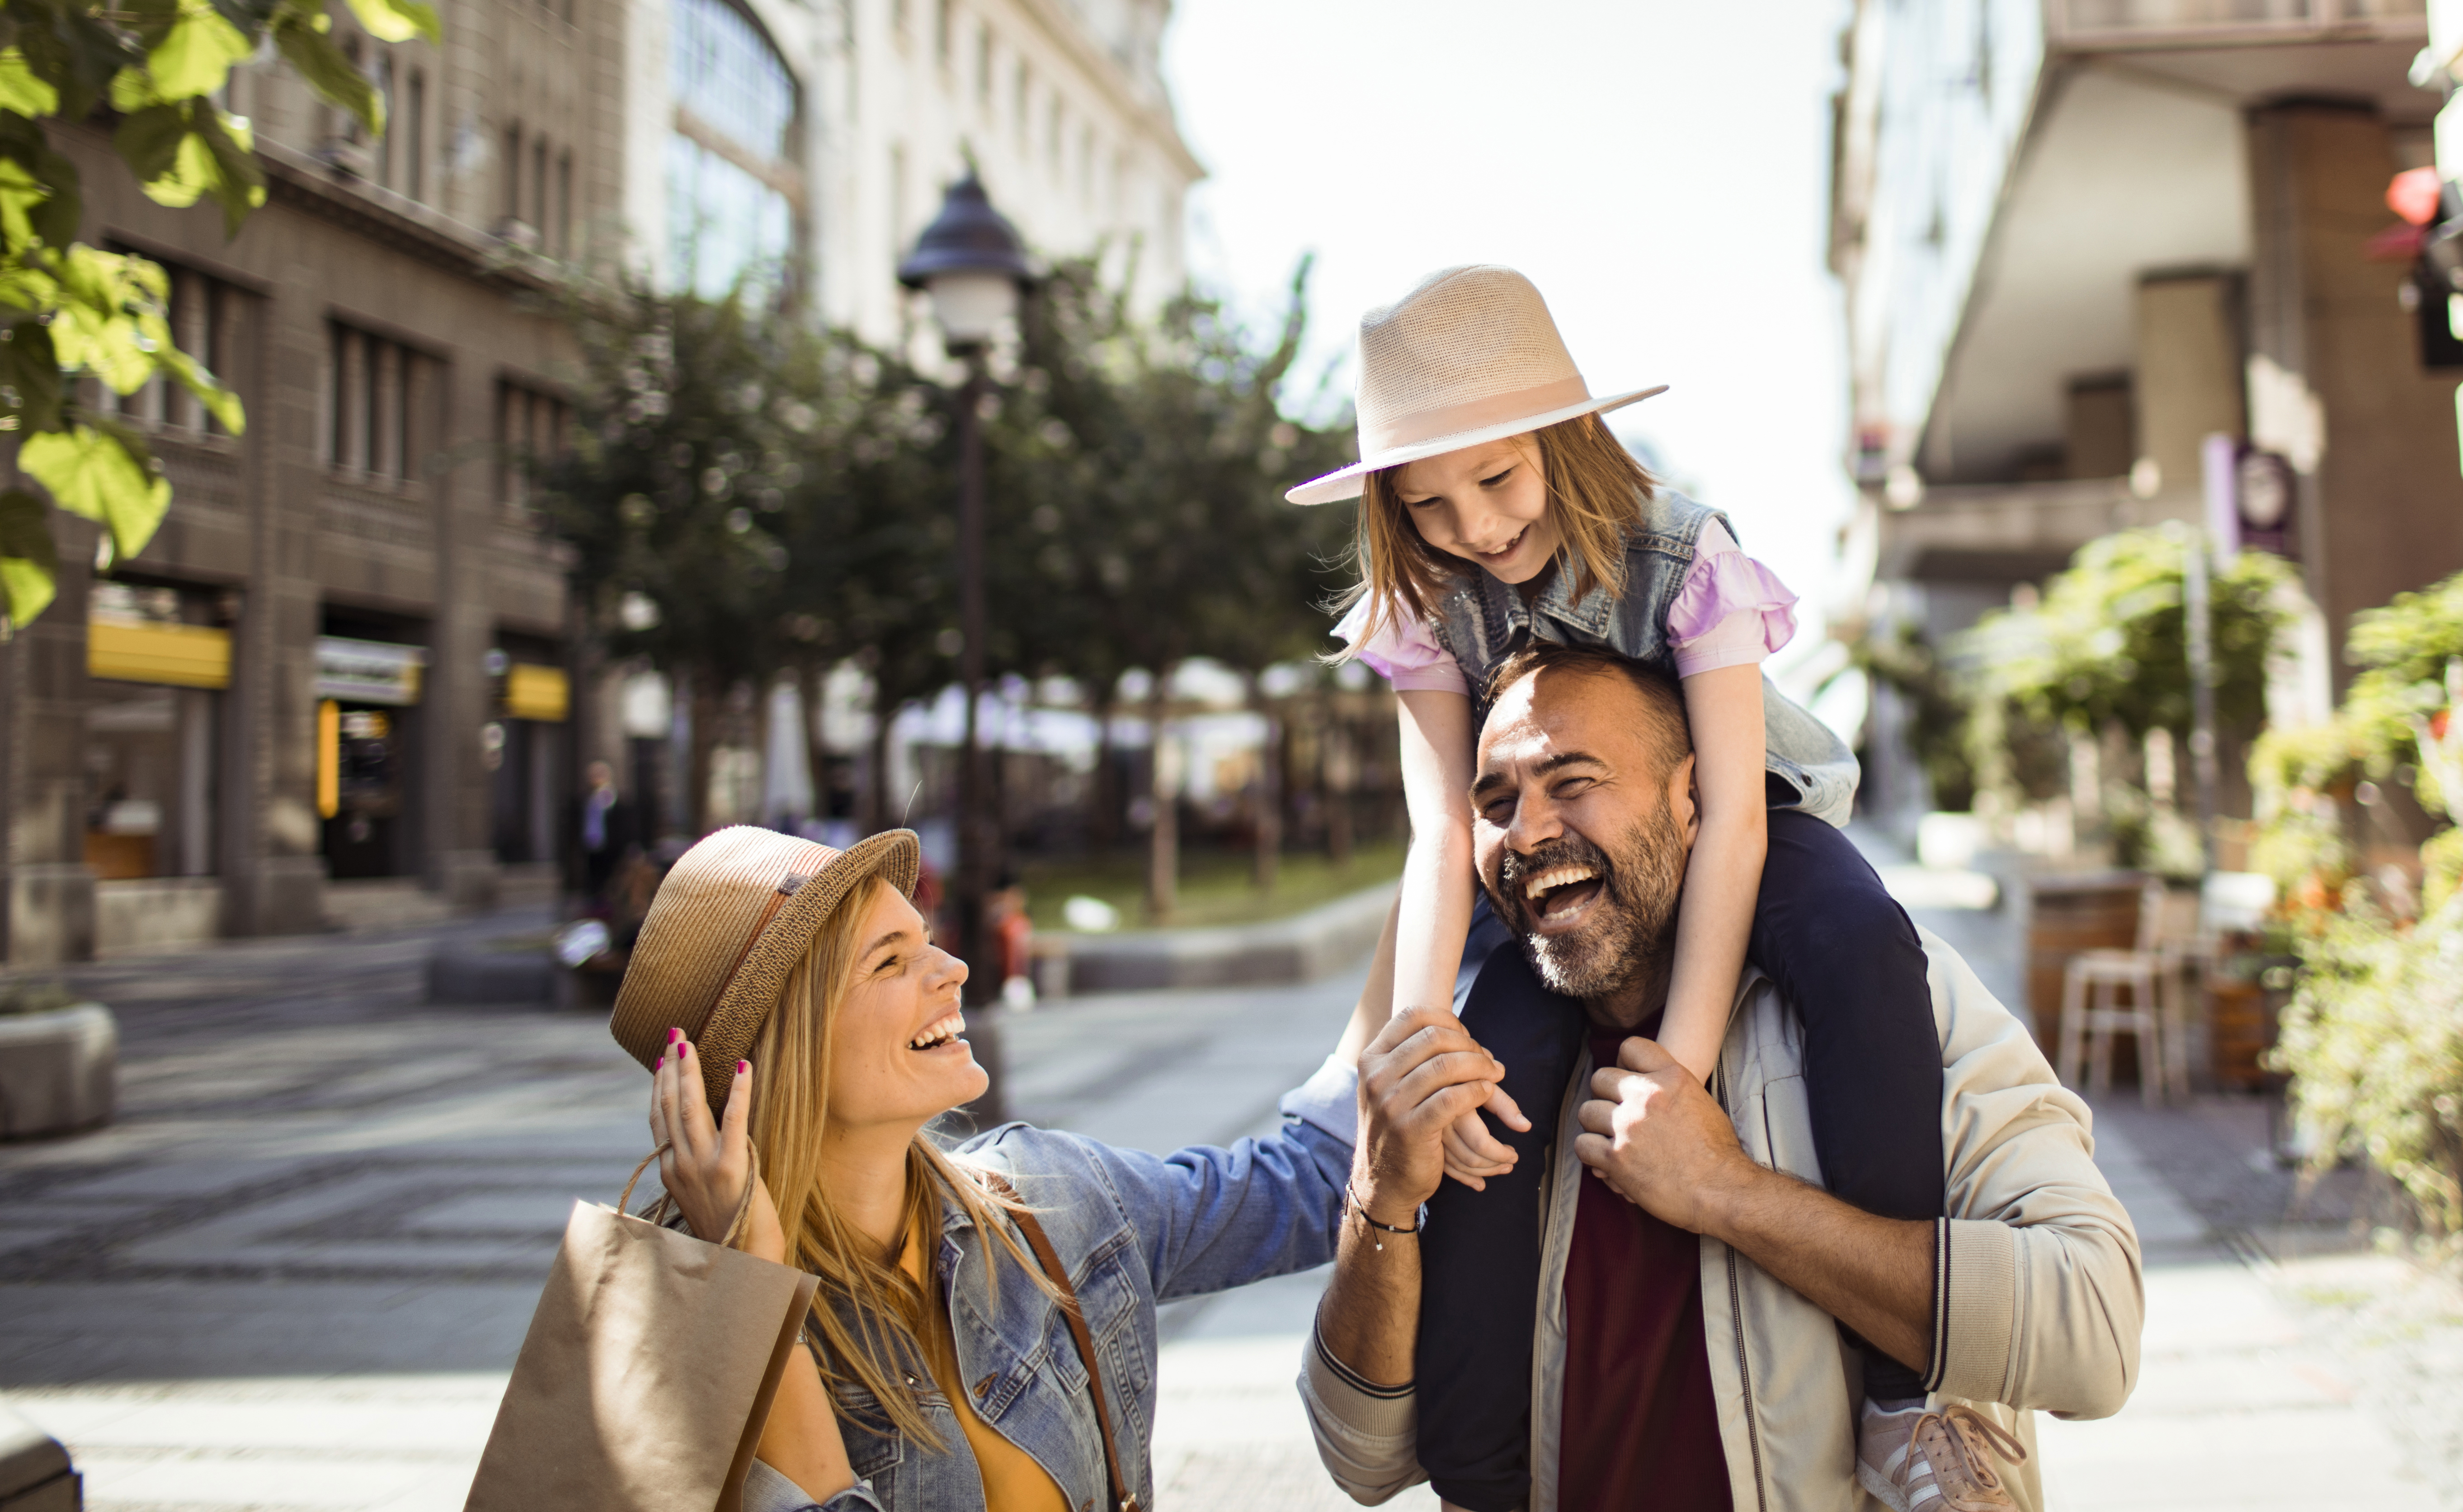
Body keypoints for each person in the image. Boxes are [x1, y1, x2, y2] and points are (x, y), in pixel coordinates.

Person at [1286, 264, 1945, 1508]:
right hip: (1562, 847)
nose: (1473, 527)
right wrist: (1422, 1052)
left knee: (1862, 943)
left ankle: (1917, 1398)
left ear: (1565, 438)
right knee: (1490, 1092)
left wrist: (1677, 1075)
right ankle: (1478, 1459)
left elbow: (1738, 819)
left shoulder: (1684, 551)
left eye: (1496, 478)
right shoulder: (1423, 600)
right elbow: (1439, 840)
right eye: (1426, 502)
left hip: (1734, 806)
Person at [1300, 644, 2143, 1512]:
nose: (1525, 831)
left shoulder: (1887, 1004)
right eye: (1496, 802)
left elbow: (2094, 1336)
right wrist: (1380, 1196)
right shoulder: (1484, 1083)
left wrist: (1727, 1193)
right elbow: (1361, 1461)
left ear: (1693, 798)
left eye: (1572, 782)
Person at [609, 824, 1486, 1511]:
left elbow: (1309, 1178)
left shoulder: (1052, 1200)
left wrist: (1438, 842)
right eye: (891, 960)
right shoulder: (678, 1323)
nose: (952, 969)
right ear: (786, 1046)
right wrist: (750, 1290)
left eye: (929, 940)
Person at [573, 759, 638, 908]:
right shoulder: (586, 801)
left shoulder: (614, 799)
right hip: (592, 848)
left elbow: (625, 826)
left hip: (612, 850)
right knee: (594, 885)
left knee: (611, 884)